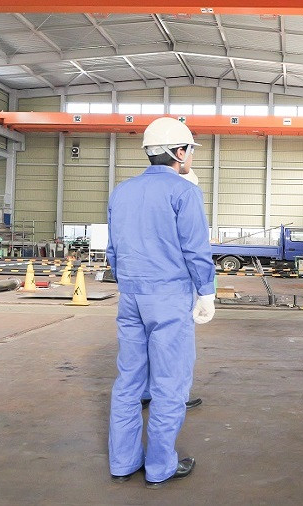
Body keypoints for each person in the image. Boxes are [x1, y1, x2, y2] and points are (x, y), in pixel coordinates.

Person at [107, 117, 216, 488]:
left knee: (129, 381)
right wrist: (206, 291)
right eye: (190, 151)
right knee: (170, 383)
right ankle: (159, 466)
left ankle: (122, 463)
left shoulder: (121, 191)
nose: (191, 158)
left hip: (130, 296)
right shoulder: (184, 192)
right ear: (179, 152)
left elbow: (114, 250)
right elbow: (195, 248)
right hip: (168, 297)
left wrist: (130, 281)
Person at [139, 167, 203, 413]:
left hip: (140, 286)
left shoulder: (141, 202)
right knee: (176, 348)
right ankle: (175, 397)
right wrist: (206, 290)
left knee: (142, 345)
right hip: (172, 288)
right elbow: (194, 250)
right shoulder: (184, 198)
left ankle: (144, 393)